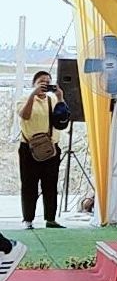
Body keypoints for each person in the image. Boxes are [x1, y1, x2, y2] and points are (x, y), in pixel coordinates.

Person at [17, 69, 70, 229]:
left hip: (51, 149)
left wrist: (60, 97)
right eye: (41, 82)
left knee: (50, 184)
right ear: (34, 83)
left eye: (48, 82)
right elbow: (24, 115)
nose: (45, 84)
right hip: (29, 149)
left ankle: (50, 219)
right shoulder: (24, 99)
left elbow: (63, 120)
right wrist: (33, 94)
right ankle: (28, 220)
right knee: (29, 185)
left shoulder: (53, 100)